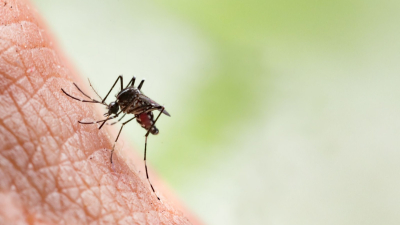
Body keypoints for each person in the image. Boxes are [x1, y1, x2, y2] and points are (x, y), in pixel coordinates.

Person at [0, 0, 198, 224]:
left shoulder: (129, 106)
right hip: (132, 103)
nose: (111, 112)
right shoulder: (120, 100)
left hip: (143, 110)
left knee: (135, 105)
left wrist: (130, 120)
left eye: (112, 109)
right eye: (113, 108)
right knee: (127, 89)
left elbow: (135, 104)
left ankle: (144, 136)